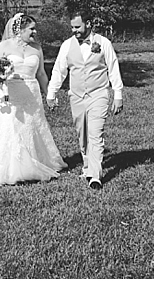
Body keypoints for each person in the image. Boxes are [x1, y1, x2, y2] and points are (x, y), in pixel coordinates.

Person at [0, 12, 67, 187]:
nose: (35, 32)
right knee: (10, 128)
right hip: (10, 94)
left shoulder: (37, 49)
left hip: (31, 93)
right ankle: (8, 169)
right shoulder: (4, 46)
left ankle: (35, 162)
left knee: (31, 128)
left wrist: (49, 95)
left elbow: (41, 73)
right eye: (31, 28)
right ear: (19, 29)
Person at [46, 13, 124, 190]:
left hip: (99, 94)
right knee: (83, 134)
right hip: (77, 96)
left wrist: (117, 95)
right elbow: (59, 71)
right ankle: (87, 166)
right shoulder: (67, 45)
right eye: (72, 27)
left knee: (96, 133)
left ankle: (95, 175)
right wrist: (52, 93)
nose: (74, 31)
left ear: (88, 24)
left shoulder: (103, 43)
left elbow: (113, 68)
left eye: (77, 27)